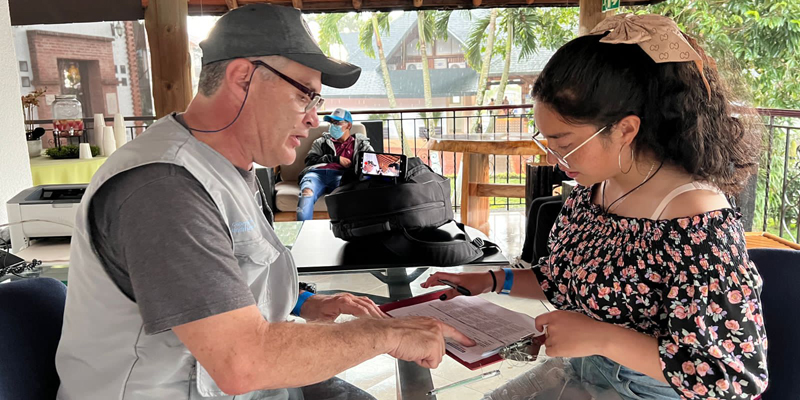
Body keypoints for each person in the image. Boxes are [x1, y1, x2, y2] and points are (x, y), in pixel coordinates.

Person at [55, 5, 473, 400]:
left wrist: (306, 301)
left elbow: (222, 280)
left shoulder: (229, 167)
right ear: (243, 77)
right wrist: (387, 334)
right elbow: (243, 361)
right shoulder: (165, 189)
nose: (314, 118)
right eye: (305, 95)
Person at [422, 13, 767, 400]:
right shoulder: (596, 189)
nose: (554, 158)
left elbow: (733, 377)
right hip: (585, 369)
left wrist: (604, 338)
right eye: (547, 140)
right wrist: (490, 281)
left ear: (625, 129)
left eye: (564, 142)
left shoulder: (696, 220)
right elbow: (566, 280)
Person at [297, 107, 372, 221]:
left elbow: (371, 162)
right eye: (332, 123)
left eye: (337, 123)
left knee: (345, 197)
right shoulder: (321, 142)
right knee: (307, 193)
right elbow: (310, 161)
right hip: (316, 175)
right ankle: (302, 231)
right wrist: (335, 159)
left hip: (342, 177)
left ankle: (345, 230)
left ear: (348, 125)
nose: (333, 126)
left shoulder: (361, 144)